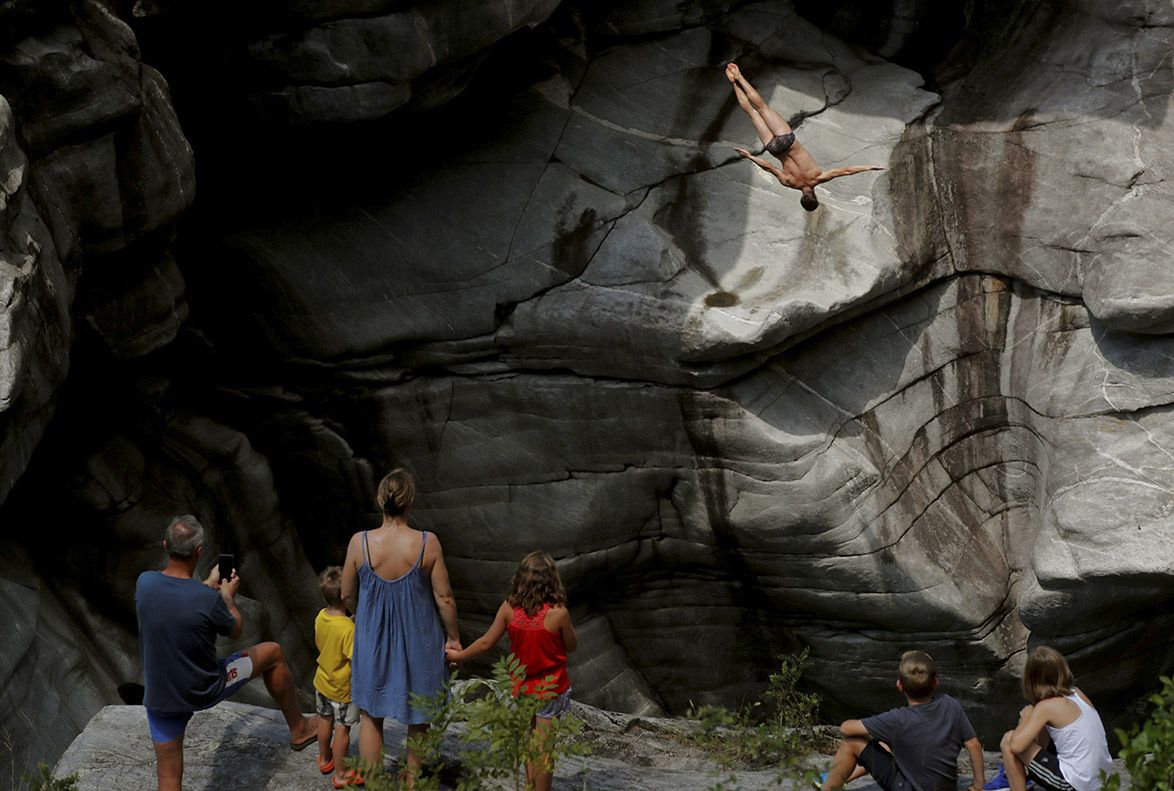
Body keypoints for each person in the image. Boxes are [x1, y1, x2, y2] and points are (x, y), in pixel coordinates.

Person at [135, 515, 318, 791]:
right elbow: (235, 628)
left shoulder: (145, 584)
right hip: (204, 688)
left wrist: (209, 584)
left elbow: (179, 597)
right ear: (199, 552)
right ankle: (300, 729)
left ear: (165, 545)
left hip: (161, 696)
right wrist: (227, 596)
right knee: (273, 652)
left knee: (169, 777)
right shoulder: (209, 601)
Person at [341, 468, 461, 788]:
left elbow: (346, 594)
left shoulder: (360, 542)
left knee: (370, 714)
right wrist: (454, 638)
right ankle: (412, 784)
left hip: (373, 639)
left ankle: (373, 783)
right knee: (420, 715)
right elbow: (445, 598)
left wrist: (362, 616)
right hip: (420, 641)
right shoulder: (427, 543)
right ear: (411, 501)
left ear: (380, 500)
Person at [446, 550, 578, 791]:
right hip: (550, 688)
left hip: (522, 686)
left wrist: (458, 656)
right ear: (552, 580)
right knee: (544, 747)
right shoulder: (558, 613)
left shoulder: (509, 608)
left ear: (521, 578)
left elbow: (486, 642)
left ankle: (528, 786)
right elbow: (571, 646)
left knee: (530, 740)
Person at [725, 62, 884, 211]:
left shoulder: (819, 177)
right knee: (752, 113)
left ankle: (740, 77)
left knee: (762, 108)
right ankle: (734, 83)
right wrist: (750, 157)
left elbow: (847, 171)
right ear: (802, 198)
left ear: (815, 196)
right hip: (774, 149)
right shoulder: (789, 183)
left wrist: (869, 167)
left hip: (787, 141)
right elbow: (769, 167)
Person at [821, 650, 985, 791]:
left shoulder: (897, 719)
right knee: (888, 743)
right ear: (935, 683)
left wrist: (874, 727)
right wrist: (978, 785)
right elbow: (973, 744)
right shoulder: (950, 704)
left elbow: (846, 728)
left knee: (852, 742)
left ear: (899, 685)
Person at [999, 646, 1113, 791]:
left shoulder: (1046, 707)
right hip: (1102, 781)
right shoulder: (1077, 693)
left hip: (1075, 784)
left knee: (1008, 740)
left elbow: (1016, 746)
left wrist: (1025, 719)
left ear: (1031, 679)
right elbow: (1043, 744)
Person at [313, 566, 360, 788]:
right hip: (342, 689)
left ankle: (324, 759)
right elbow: (354, 659)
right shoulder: (348, 629)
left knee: (324, 720)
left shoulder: (321, 616)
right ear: (346, 595)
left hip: (322, 681)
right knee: (342, 730)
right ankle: (342, 774)